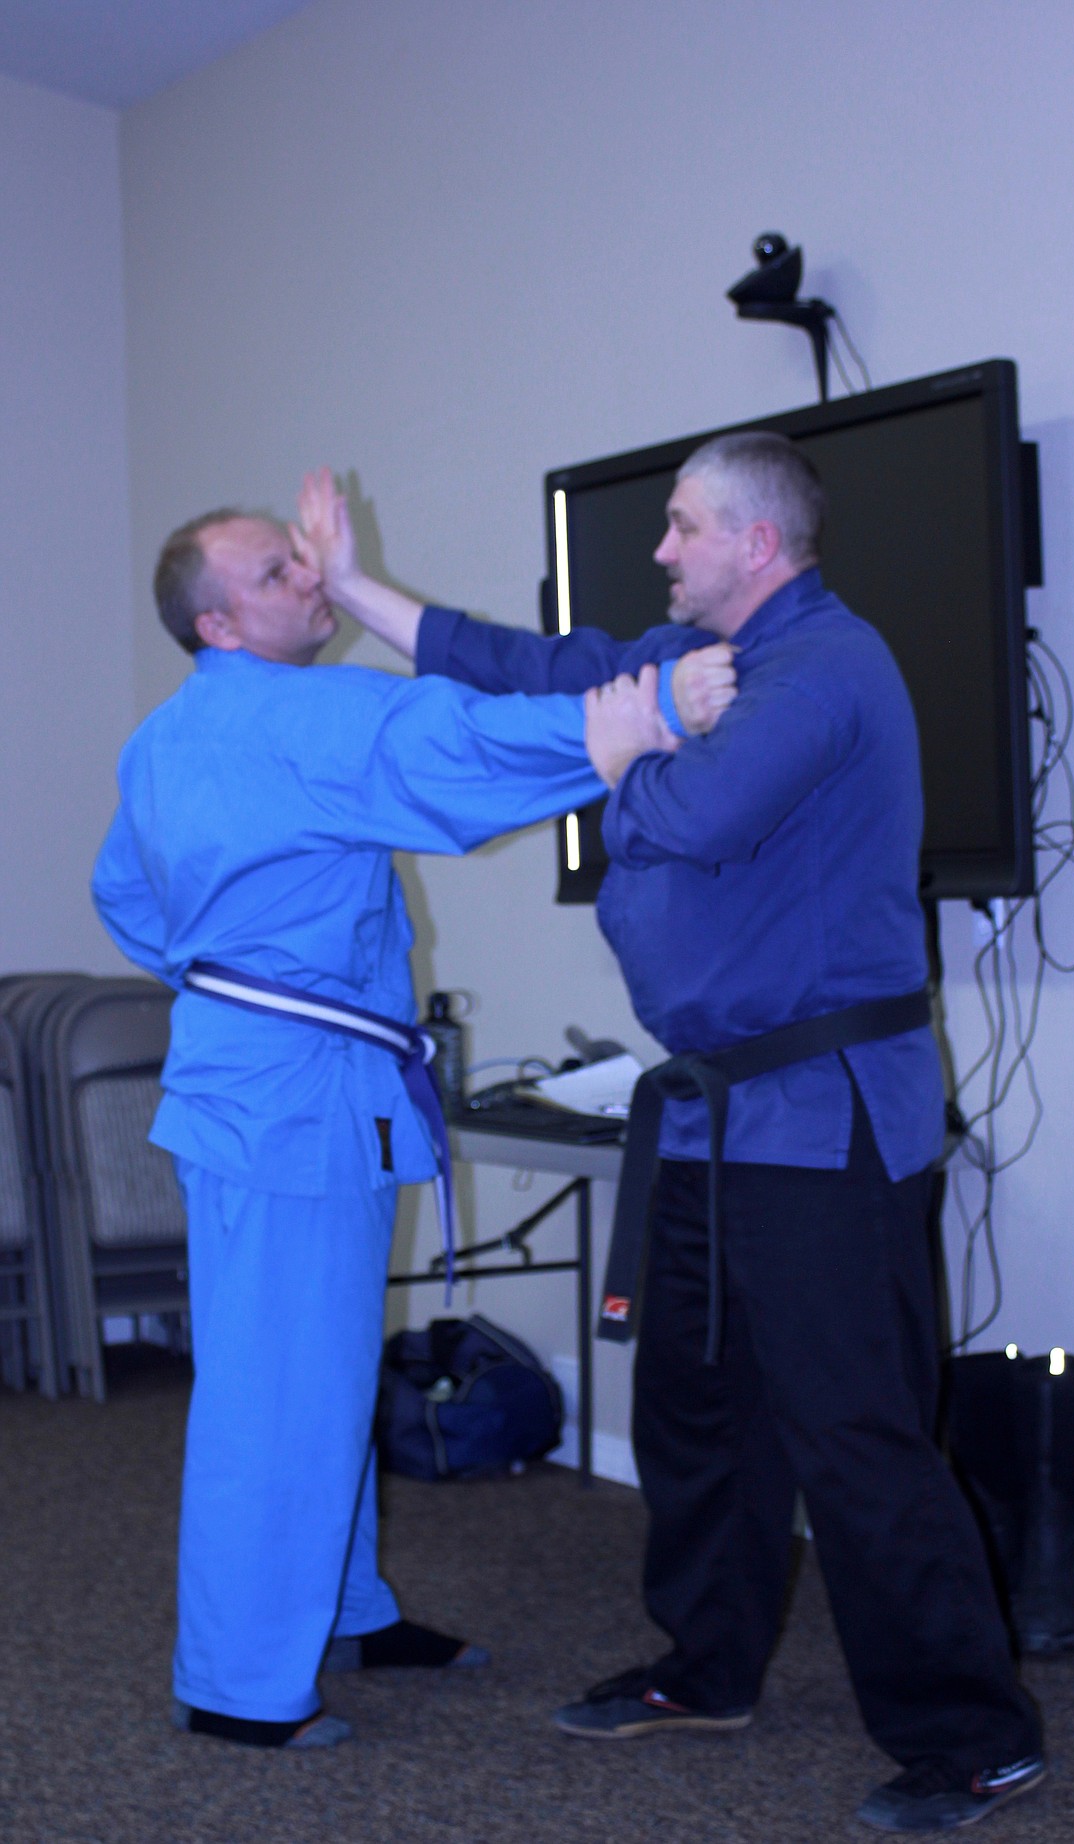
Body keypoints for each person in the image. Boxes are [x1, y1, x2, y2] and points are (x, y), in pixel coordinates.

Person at [298, 445, 1045, 1832]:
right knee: (695, 1416)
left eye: (683, 527)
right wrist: (358, 591)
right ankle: (707, 1668)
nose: (661, 549)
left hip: (825, 1121)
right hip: (712, 1115)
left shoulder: (825, 671)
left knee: (855, 1433)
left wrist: (630, 735)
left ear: (757, 543)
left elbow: (690, 818)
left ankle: (972, 1735)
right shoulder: (690, 655)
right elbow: (522, 667)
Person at [91, 503, 729, 1752]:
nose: (308, 575)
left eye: (298, 552)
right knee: (274, 1391)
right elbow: (460, 745)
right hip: (291, 1101)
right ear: (218, 621)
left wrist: (227, 971)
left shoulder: (163, 741)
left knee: (309, 1367)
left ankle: (343, 1605)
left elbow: (125, 892)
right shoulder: (300, 715)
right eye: (276, 571)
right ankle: (237, 1686)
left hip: (261, 1087)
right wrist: (652, 711)